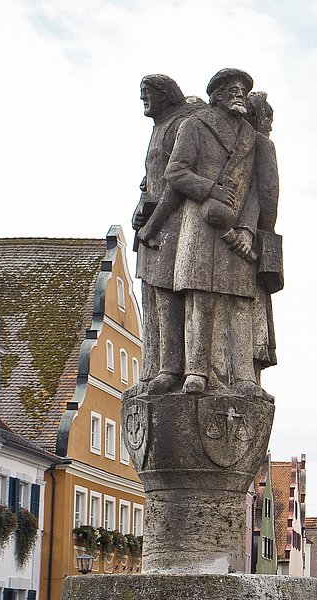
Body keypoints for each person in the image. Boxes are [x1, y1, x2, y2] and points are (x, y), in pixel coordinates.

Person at [146, 67, 280, 397]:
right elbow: (175, 172)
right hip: (198, 224)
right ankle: (195, 372)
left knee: (239, 300)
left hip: (235, 229)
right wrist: (209, 189)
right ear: (216, 95)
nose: (238, 94)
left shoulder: (251, 137)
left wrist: (247, 228)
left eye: (243, 90)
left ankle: (244, 377)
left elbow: (254, 193)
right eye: (231, 88)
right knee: (198, 297)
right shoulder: (195, 125)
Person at [132, 74, 202, 394]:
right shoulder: (158, 127)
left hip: (169, 223)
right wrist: (139, 205)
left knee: (168, 296)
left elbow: (176, 183)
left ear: (164, 94)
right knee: (151, 296)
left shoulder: (180, 125)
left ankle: (172, 367)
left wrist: (155, 222)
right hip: (150, 223)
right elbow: (150, 179)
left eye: (147, 93)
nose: (143, 99)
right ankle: (153, 366)